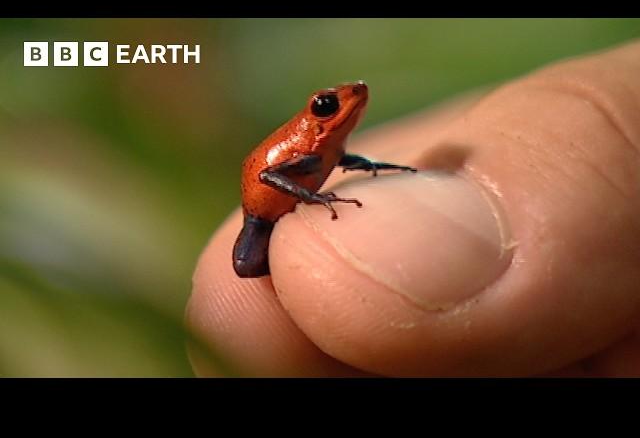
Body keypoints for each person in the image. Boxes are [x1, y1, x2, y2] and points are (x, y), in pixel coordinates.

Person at [186, 40, 640, 377]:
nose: (346, 104)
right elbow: (269, 175)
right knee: (246, 266)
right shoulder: (306, 150)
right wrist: (313, 196)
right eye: (328, 106)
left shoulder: (329, 150)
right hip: (262, 214)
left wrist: (379, 168)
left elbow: (343, 161)